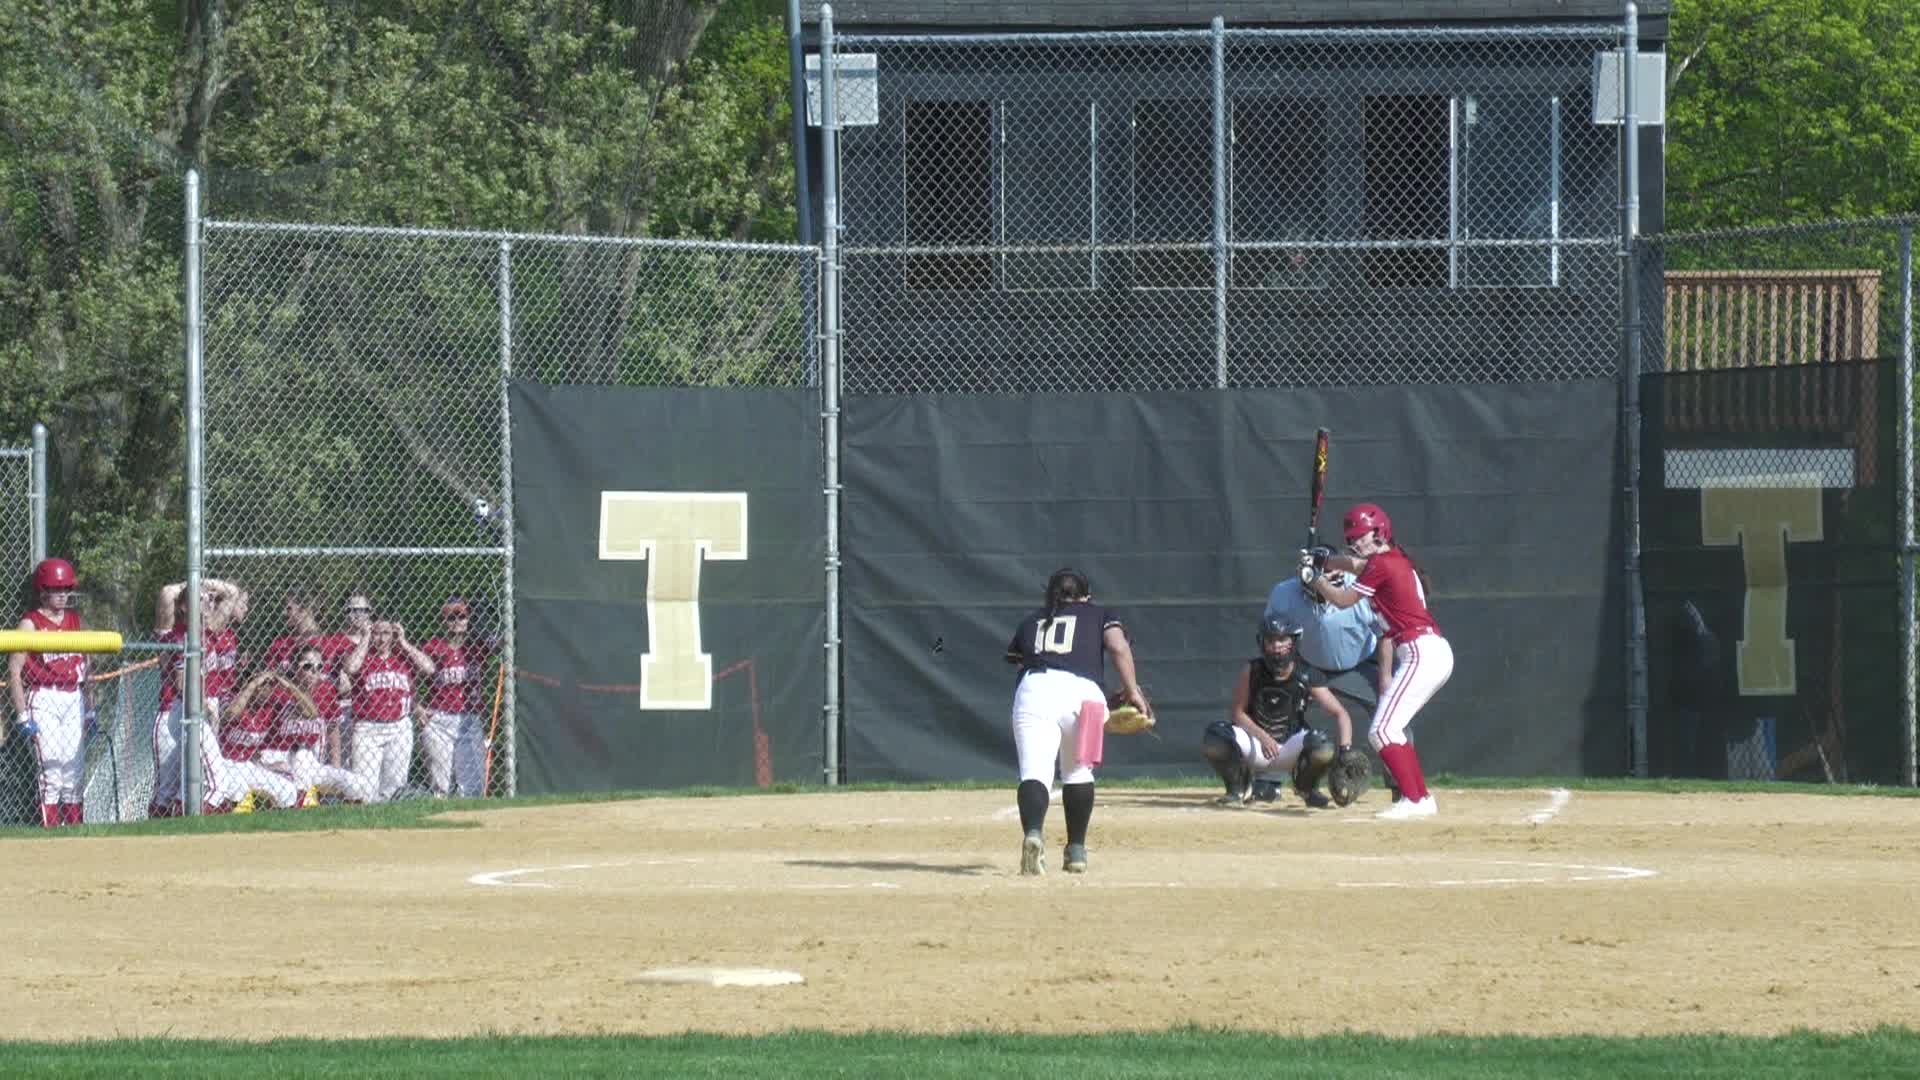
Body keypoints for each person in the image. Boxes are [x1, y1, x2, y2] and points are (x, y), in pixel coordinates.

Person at [1301, 502, 1453, 820]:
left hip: (1420, 651)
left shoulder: (1382, 564)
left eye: (1362, 536)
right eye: (1353, 538)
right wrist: (1325, 560)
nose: (1356, 542)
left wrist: (1315, 578)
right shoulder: (1391, 559)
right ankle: (1419, 797)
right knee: (1390, 729)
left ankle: (1415, 799)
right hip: (1426, 650)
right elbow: (1354, 564)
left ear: (1380, 531)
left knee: (1382, 731)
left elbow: (1342, 600)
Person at [1002, 568, 1150, 877]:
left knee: (1035, 772)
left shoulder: (1031, 620)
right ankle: (1077, 851)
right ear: (1086, 595)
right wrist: (1133, 692)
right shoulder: (1098, 613)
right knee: (1078, 771)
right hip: (1084, 695)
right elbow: (1118, 646)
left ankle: (1033, 833)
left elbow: (1027, 660)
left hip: (1033, 690)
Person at [148, 581, 299, 815]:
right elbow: (168, 592)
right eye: (201, 599)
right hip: (174, 711)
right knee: (168, 788)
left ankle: (180, 828)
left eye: (209, 598)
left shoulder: (208, 632)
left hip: (199, 712)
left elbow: (232, 593)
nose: (208, 601)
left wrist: (205, 590)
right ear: (185, 606)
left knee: (188, 784)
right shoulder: (175, 632)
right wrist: (193, 579)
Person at [1200, 616, 1354, 809]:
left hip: (1290, 748)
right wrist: (1262, 736)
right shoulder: (1252, 669)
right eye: (1270, 640)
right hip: (1256, 745)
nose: (1276, 645)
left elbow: (1340, 713)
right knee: (1215, 737)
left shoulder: (1306, 674)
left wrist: (1345, 751)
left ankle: (1306, 788)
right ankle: (1238, 788)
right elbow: (1238, 713)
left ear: (1293, 642)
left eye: (1282, 639)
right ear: (1262, 642)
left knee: (1322, 745)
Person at [6, 558, 95, 827]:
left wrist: (90, 707)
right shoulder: (30, 623)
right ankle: (51, 835)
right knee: (51, 773)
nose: (62, 595)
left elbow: (88, 668)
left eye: (66, 589)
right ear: (42, 591)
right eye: (56, 590)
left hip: (73, 696)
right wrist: (22, 714)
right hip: (43, 696)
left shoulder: (75, 620)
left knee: (74, 772)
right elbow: (14, 671)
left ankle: (75, 832)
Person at [233, 648, 373, 804]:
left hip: (310, 761)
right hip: (278, 757)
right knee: (299, 763)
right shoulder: (278, 691)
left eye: (320, 667)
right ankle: (300, 802)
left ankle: (345, 822)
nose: (314, 672)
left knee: (358, 785)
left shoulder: (326, 691)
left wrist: (336, 765)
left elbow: (332, 730)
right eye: (307, 666)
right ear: (294, 667)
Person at [344, 618, 435, 801]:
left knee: (394, 787)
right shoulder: (364, 657)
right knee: (363, 790)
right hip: (367, 728)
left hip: (398, 727)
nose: (381, 638)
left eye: (386, 633)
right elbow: (350, 668)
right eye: (377, 633)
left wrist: (404, 642)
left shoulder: (403, 658)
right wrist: (365, 637)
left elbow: (429, 668)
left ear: (393, 635)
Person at [418, 597, 497, 799]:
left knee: (472, 786)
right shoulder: (433, 647)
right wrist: (417, 706)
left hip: (469, 718)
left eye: (462, 616)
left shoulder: (478, 646)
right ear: (444, 621)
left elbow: (503, 642)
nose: (457, 621)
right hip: (440, 718)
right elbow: (410, 675)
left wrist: (487, 620)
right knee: (441, 785)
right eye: (451, 617)